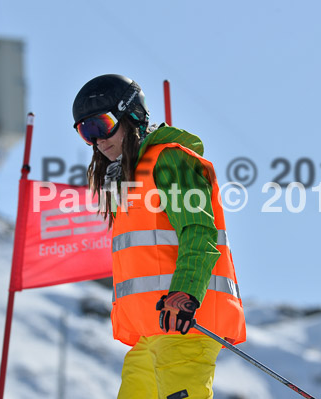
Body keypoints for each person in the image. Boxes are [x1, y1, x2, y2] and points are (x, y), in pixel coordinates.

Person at [72, 74, 246, 399]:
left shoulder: (169, 161)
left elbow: (198, 229)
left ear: (132, 115)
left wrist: (184, 294)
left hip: (184, 325)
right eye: (86, 132)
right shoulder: (129, 179)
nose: (97, 140)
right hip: (149, 333)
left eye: (101, 125)